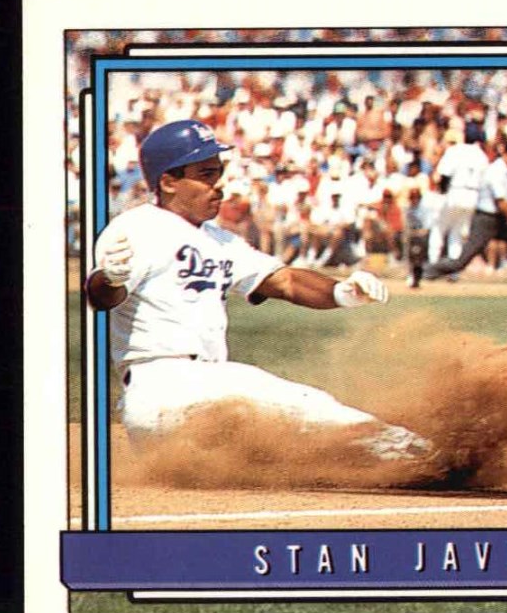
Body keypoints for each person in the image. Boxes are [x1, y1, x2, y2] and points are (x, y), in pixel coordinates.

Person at [86, 119, 427, 461]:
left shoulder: (219, 241)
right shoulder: (138, 228)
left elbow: (285, 281)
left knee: (287, 453)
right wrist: (109, 279)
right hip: (163, 385)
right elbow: (101, 298)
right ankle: (418, 455)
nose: (218, 185)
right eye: (205, 174)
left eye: (218, 172)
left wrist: (342, 291)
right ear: (168, 182)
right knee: (307, 408)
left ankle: (398, 460)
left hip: (201, 393)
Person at [423, 138, 507, 294]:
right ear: (505, 154)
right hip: (485, 220)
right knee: (461, 262)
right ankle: (425, 270)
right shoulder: (496, 171)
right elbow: (501, 203)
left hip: (499, 219)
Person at [429, 122, 490, 266]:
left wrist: (443, 193)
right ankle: (453, 267)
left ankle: (433, 262)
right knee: (457, 232)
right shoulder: (482, 155)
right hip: (473, 195)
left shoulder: (455, 150)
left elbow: (444, 174)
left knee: (439, 227)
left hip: (456, 191)